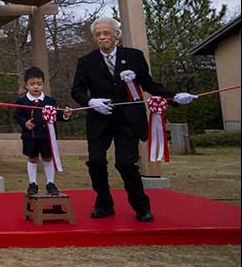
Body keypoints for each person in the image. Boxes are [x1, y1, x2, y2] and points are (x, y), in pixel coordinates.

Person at [71, 17, 197, 222]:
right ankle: (104, 203)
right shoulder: (86, 61)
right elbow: (76, 91)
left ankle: (141, 206)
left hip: (128, 120)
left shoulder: (134, 56)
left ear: (116, 35)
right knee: (95, 161)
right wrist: (91, 101)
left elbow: (149, 84)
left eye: (106, 33)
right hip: (99, 119)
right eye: (98, 34)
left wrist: (174, 97)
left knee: (125, 163)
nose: (102, 37)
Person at [14, 67, 72, 196]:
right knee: (32, 158)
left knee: (47, 158)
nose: (36, 87)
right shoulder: (22, 101)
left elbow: (58, 115)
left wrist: (66, 114)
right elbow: (17, 116)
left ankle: (50, 183)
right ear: (26, 85)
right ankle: (32, 183)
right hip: (30, 136)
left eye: (39, 84)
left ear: (43, 84)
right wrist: (25, 123)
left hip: (47, 137)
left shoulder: (50, 101)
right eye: (32, 84)